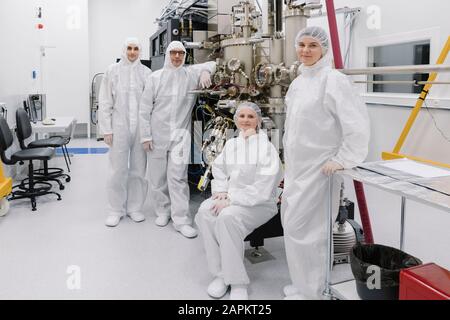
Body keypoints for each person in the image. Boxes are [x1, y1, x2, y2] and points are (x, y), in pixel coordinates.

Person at [281, 26, 370, 299]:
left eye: (312, 46)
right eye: (302, 45)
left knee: (313, 232)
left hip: (321, 169)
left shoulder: (333, 80)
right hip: (298, 169)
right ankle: (302, 283)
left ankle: (314, 291)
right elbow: (293, 129)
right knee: (293, 226)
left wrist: (342, 159)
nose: (305, 50)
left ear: (324, 49)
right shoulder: (298, 83)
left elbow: (357, 125)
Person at [195, 102, 283, 300]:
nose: (245, 120)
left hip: (260, 204)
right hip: (232, 199)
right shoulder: (232, 143)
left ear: (259, 121)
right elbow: (218, 168)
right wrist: (221, 192)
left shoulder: (266, 147)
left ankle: (237, 282)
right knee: (204, 211)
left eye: (250, 117)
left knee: (227, 219)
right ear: (236, 119)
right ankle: (220, 275)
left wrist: (231, 199)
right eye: (241, 116)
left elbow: (264, 188)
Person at [139, 41, 215, 238]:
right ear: (167, 55)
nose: (177, 57)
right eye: (173, 53)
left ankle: (181, 220)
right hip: (157, 134)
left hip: (180, 135)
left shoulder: (190, 75)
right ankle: (162, 211)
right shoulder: (155, 78)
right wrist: (145, 135)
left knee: (178, 177)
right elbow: (144, 109)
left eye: (181, 53)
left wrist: (205, 72)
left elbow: (213, 63)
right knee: (157, 176)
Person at [99, 37, 152, 227]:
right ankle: (115, 209)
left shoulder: (147, 73)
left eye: (136, 48)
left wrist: (147, 132)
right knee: (117, 169)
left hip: (140, 127)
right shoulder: (112, 71)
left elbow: (150, 104)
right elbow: (105, 102)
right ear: (124, 50)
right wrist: (107, 129)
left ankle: (135, 208)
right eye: (129, 48)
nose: (132, 52)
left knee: (139, 170)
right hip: (119, 126)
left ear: (140, 51)